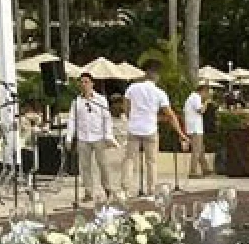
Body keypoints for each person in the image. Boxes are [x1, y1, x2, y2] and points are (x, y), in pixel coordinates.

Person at [122, 62, 183, 194]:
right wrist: (180, 133)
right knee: (151, 162)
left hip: (134, 128)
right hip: (150, 129)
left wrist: (131, 118)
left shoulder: (132, 88)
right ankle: (151, 190)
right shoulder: (160, 93)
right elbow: (170, 115)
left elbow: (126, 107)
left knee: (129, 159)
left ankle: (125, 189)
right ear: (157, 77)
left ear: (145, 75)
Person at [66, 73, 117, 204]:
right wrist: (69, 137)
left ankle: (108, 189)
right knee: (85, 167)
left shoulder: (100, 100)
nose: (84, 85)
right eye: (81, 82)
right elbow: (72, 120)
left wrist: (108, 135)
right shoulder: (76, 101)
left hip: (98, 136)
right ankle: (88, 192)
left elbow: (107, 118)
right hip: (83, 137)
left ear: (92, 83)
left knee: (103, 165)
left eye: (86, 82)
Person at [183, 80, 212, 177]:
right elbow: (201, 110)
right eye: (207, 93)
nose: (207, 95)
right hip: (195, 128)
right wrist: (206, 102)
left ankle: (205, 168)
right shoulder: (196, 97)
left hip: (193, 127)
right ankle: (193, 171)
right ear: (203, 91)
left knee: (200, 149)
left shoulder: (191, 97)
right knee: (196, 150)